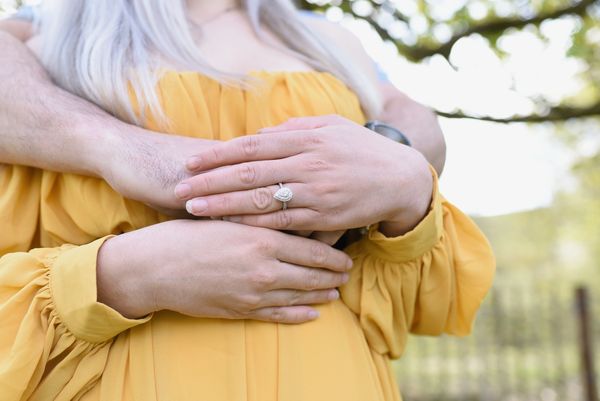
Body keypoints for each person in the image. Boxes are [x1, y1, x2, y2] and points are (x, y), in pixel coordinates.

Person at [0, 1, 495, 401]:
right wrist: (122, 276)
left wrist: (404, 177)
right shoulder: (39, 40)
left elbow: (413, 128)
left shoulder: (330, 42)